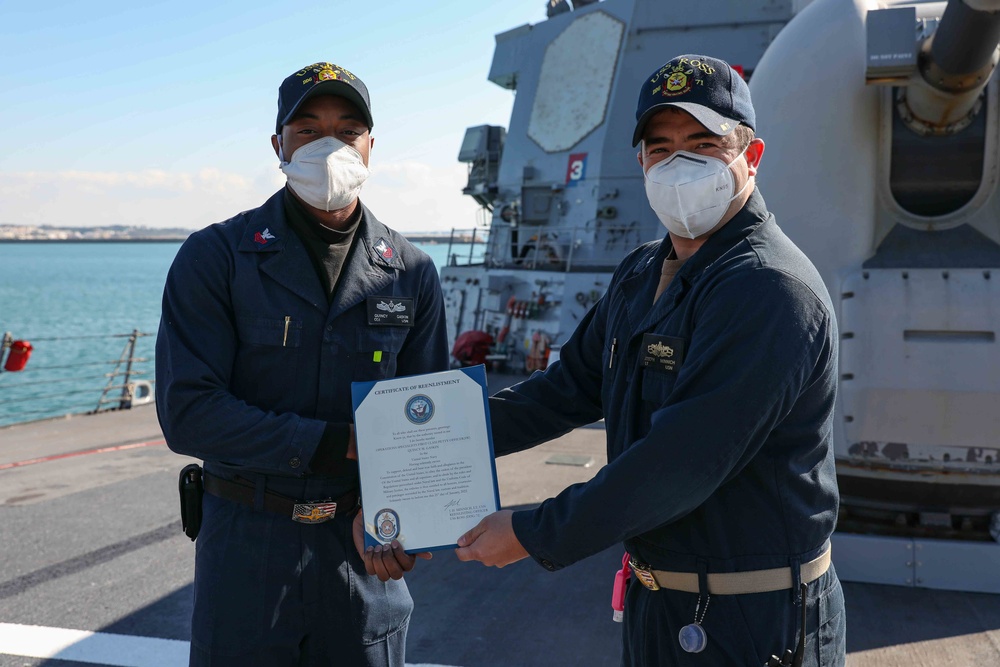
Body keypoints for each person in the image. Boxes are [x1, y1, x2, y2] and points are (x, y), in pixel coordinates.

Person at [455, 54, 847, 666]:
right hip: (661, 607)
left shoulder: (770, 290)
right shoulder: (641, 272)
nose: (677, 162)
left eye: (702, 142)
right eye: (660, 147)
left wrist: (534, 533)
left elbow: (680, 463)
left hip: (756, 623)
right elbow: (563, 391)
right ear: (640, 161)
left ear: (751, 155)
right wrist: (434, 439)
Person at [156, 62, 448, 667]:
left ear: (370, 146)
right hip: (246, 551)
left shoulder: (413, 271)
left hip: (365, 555)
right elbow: (189, 414)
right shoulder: (216, 257)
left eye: (346, 131)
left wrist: (409, 523)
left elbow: (431, 418)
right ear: (278, 145)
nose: (329, 146)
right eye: (308, 130)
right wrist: (343, 444)